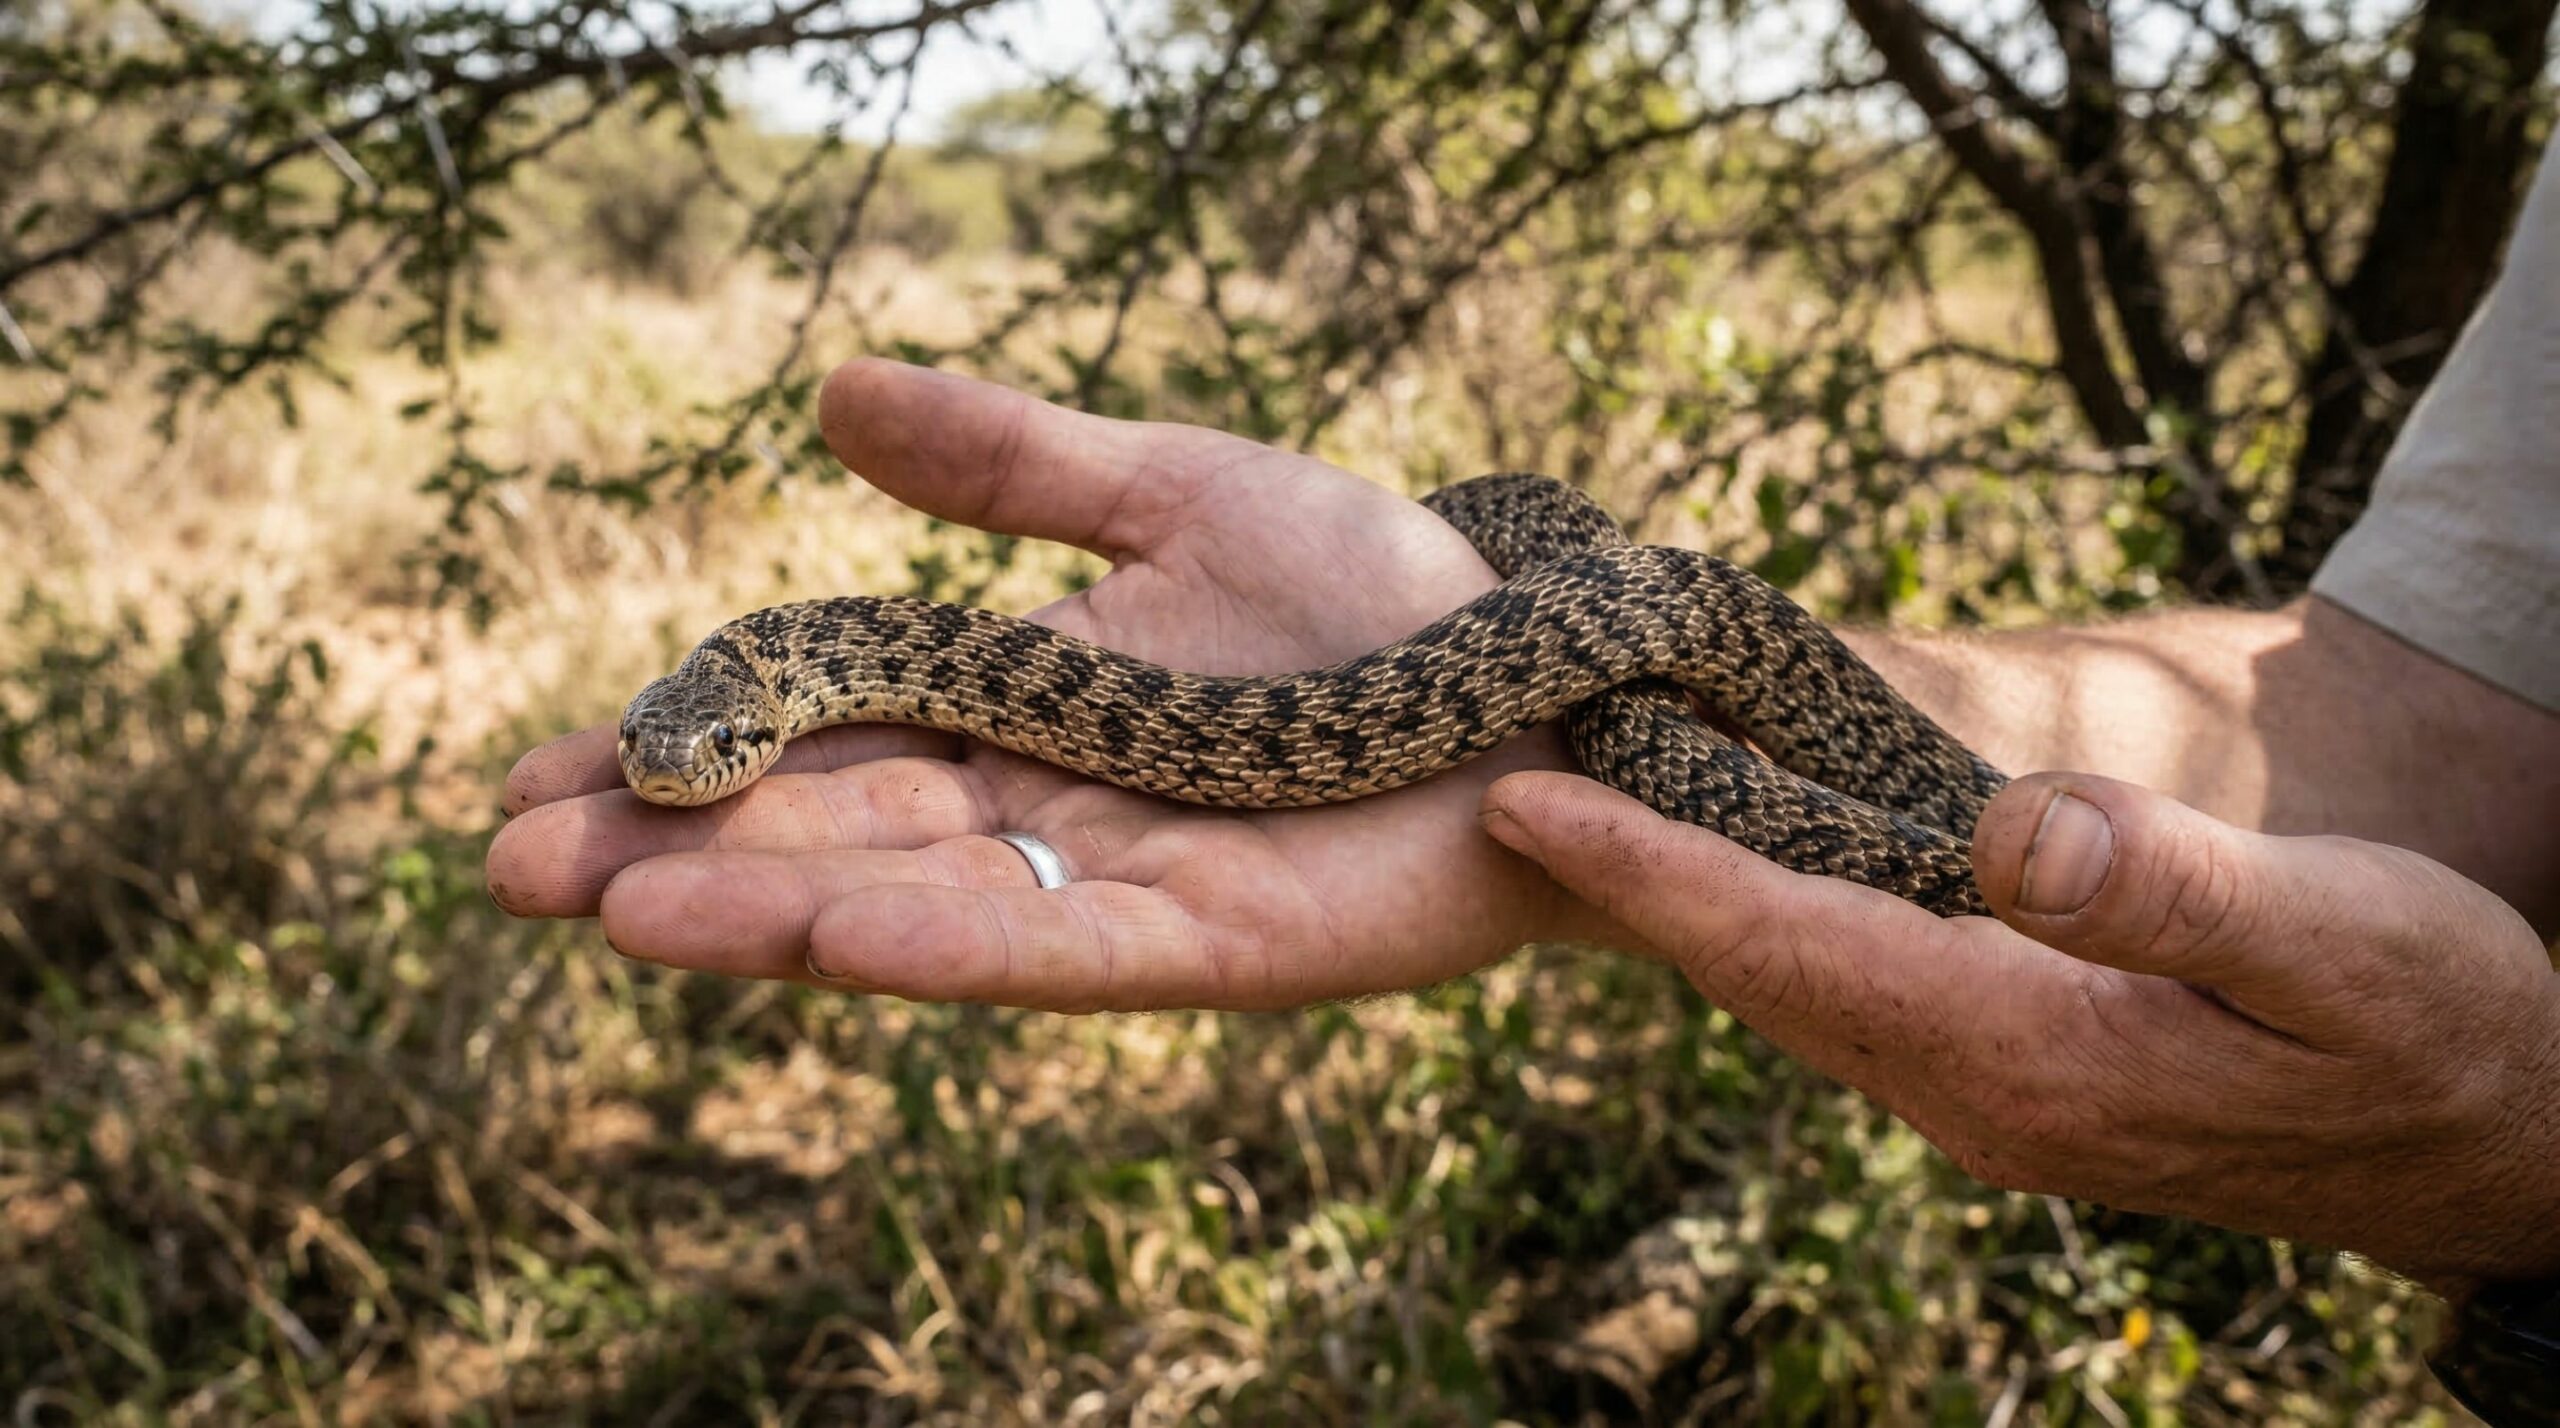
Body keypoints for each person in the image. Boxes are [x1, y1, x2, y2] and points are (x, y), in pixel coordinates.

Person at [487, 148, 2560, 1411]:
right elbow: (2434, 689)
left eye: (708, 748)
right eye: (704, 752)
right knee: (1630, 655)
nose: (695, 775)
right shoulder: (776, 679)